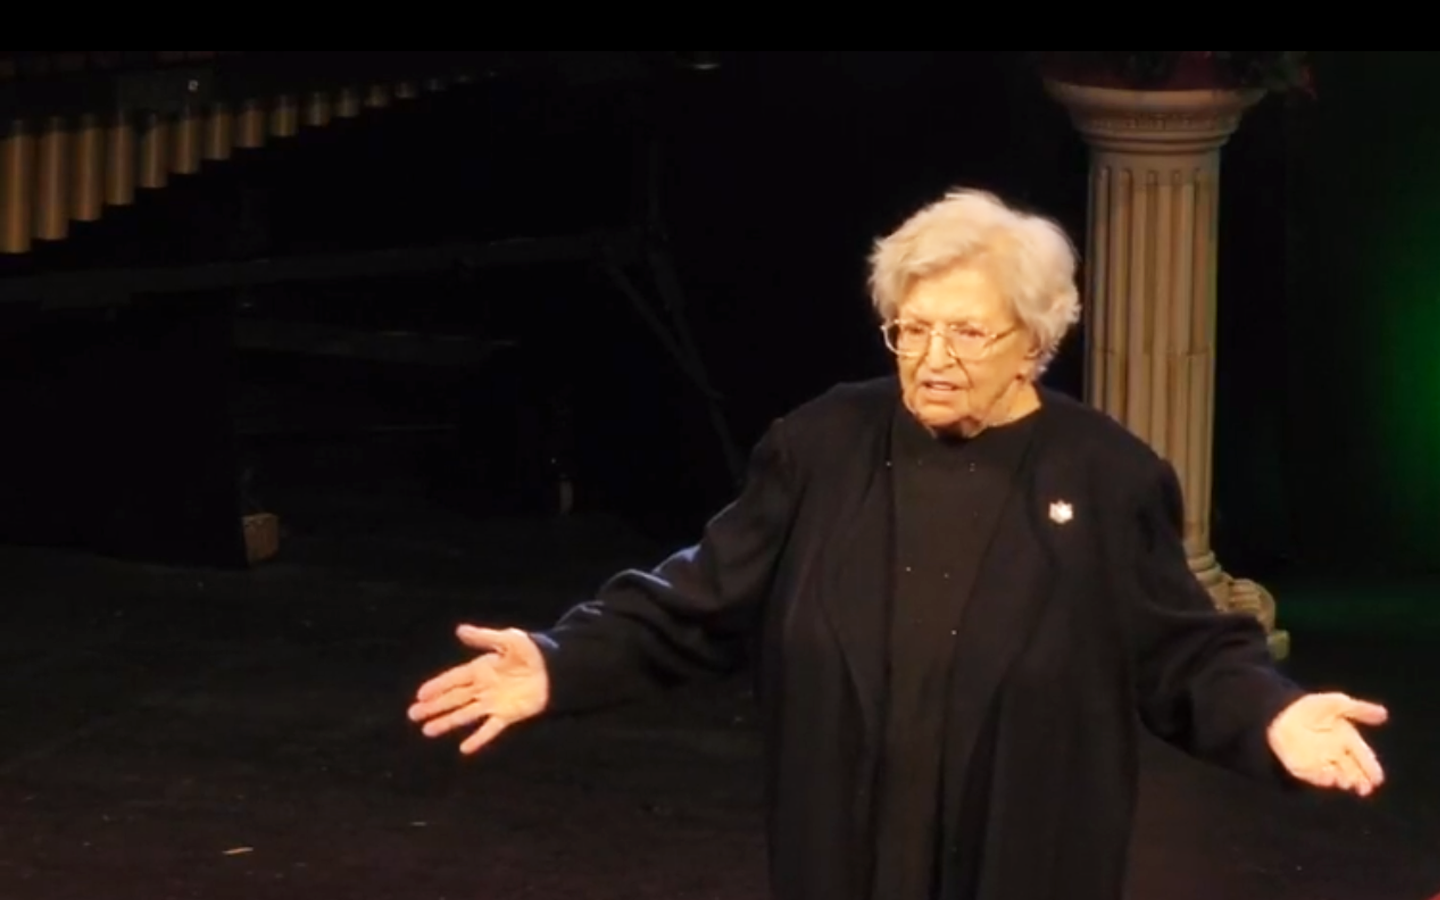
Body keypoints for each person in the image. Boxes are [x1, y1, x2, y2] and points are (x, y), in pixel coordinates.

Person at [407, 188, 1389, 900]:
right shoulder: (823, 445)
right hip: (847, 848)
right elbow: (697, 598)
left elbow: (1181, 650)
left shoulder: (1106, 476)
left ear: (1034, 341)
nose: (933, 360)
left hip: (1024, 853)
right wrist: (561, 660)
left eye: (966, 334)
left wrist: (1271, 715)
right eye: (910, 331)